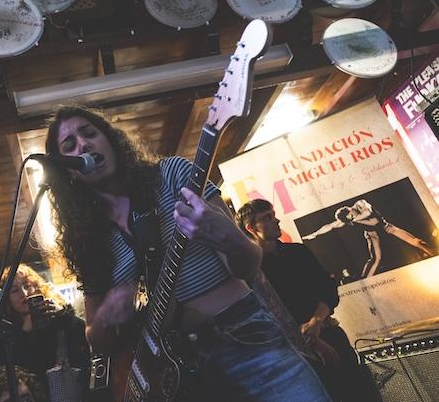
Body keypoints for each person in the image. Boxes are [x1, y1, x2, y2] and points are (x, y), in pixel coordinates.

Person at [43, 106, 331, 402]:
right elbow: (96, 338)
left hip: (243, 337)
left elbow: (247, 266)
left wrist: (230, 238)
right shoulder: (91, 242)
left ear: (111, 140)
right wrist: (104, 318)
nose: (83, 144)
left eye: (90, 133)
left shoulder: (171, 175)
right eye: (70, 146)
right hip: (175, 372)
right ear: (70, 173)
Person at [237, 199, 377, 402]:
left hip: (329, 332)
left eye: (273, 214)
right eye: (267, 218)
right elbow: (268, 313)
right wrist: (311, 339)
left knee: (359, 391)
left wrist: (316, 322)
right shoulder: (252, 270)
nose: (276, 220)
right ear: (251, 228)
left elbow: (327, 289)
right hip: (294, 350)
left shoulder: (298, 252)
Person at [0, 264, 91, 402]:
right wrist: (25, 333)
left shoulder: (60, 318)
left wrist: (64, 315)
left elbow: (84, 337)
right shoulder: (6, 332)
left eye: (27, 285)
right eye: (14, 291)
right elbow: (12, 373)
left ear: (37, 286)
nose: (24, 294)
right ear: (7, 298)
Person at [302, 199, 435, 277]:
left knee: (416, 242)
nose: (353, 218)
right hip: (372, 234)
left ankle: (435, 254)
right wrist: (314, 234)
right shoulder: (348, 218)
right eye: (350, 219)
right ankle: (366, 280)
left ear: (349, 209)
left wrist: (355, 219)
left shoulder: (359, 204)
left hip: (386, 227)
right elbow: (330, 225)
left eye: (351, 216)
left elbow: (370, 213)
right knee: (376, 259)